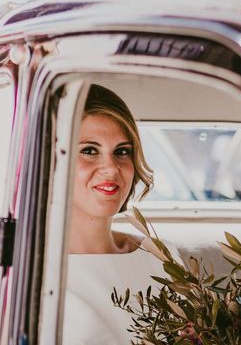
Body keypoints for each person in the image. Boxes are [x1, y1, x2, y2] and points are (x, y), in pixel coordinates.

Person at [64, 84, 178, 344]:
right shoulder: (29, 270)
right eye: (89, 150)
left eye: (121, 152)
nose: (111, 168)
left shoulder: (162, 257)